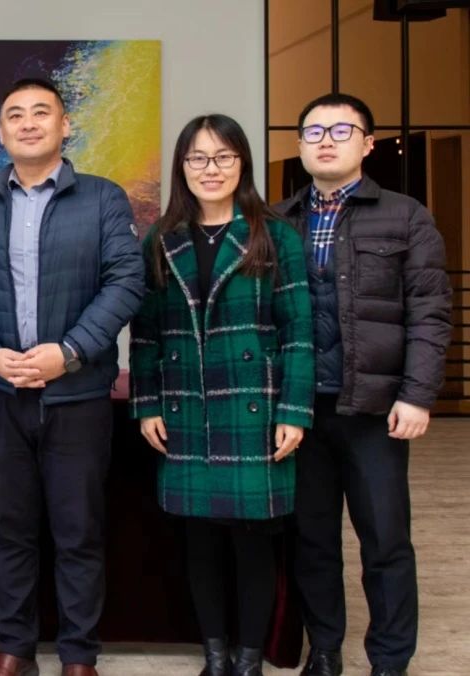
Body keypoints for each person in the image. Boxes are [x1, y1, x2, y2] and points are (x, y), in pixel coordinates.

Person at [0, 77, 144, 676]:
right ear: (1, 131)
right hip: (2, 396)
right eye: (15, 115)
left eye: (41, 112)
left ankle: (79, 656)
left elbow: (126, 282)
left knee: (79, 531)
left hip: (77, 395)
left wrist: (70, 351)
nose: (28, 123)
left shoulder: (103, 199)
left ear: (64, 125)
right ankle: (15, 648)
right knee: (10, 529)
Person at [129, 114, 314, 676]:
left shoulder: (273, 235)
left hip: (252, 408)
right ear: (182, 167)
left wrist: (293, 411)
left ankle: (249, 660)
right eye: (198, 158)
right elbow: (145, 334)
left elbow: (298, 331)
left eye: (223, 157)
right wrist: (147, 404)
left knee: (253, 542)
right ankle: (215, 657)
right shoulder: (161, 240)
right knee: (200, 542)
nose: (210, 169)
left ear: (242, 164)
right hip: (185, 408)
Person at [274, 93, 452, 676]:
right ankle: (324, 650)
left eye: (341, 130)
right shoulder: (277, 221)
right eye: (314, 131)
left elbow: (430, 312)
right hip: (300, 411)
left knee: (385, 540)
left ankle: (390, 661)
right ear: (299, 144)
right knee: (312, 539)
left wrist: (417, 394)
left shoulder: (406, 216)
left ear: (368, 144)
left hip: (375, 410)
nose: (325, 140)